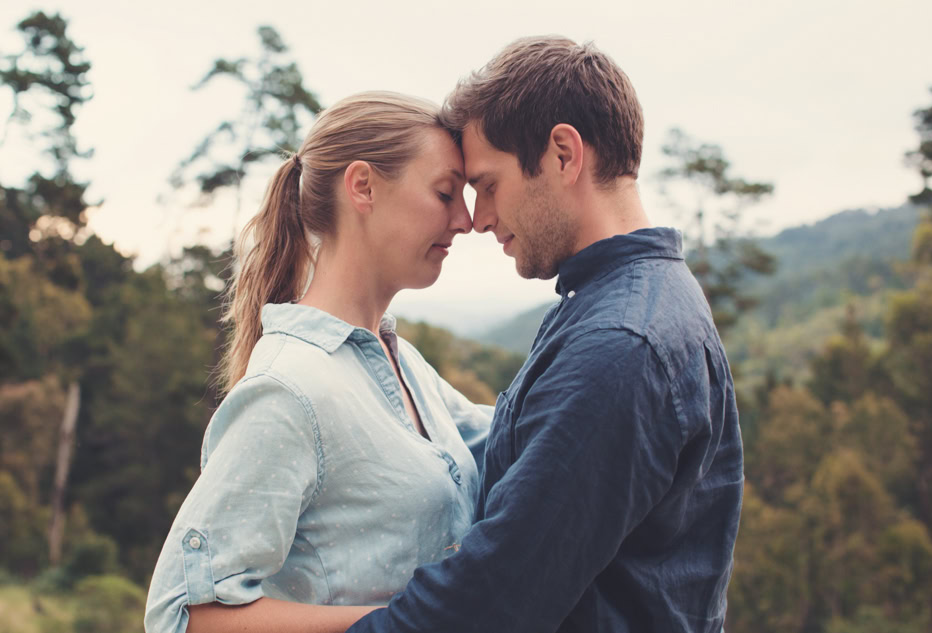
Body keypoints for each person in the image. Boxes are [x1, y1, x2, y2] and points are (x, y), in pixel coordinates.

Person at [347, 37, 744, 633]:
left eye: (488, 184)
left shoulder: (622, 345)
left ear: (563, 154)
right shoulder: (616, 303)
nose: (478, 218)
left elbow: (487, 605)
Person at [144, 92, 493, 633]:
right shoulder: (290, 390)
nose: (466, 220)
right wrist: (404, 623)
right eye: (445, 192)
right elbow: (185, 615)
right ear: (363, 186)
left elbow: (513, 438)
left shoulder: (404, 365)